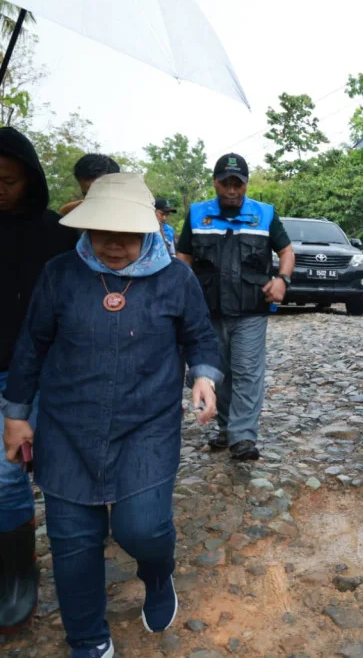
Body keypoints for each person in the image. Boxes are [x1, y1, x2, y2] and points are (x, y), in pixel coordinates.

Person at [2, 173, 222, 658]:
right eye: (104, 232)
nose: (115, 245)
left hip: (146, 424)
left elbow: (200, 337)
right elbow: (32, 345)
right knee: (73, 540)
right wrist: (16, 414)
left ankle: (157, 574)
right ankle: (87, 639)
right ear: (87, 227)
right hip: (67, 424)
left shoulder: (176, 278)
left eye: (127, 234)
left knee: (142, 528)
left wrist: (204, 377)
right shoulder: (60, 273)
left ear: (148, 230)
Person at [0, 127, 80, 633]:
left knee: (37, 468)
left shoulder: (57, 234)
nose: (0, 190)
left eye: (8, 180)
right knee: (5, 474)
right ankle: (14, 568)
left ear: (30, 179)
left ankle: (31, 568)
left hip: (43, 373)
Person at [176, 153, 295, 462]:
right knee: (218, 372)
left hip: (250, 310)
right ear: (214, 182)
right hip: (207, 311)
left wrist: (282, 279)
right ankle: (227, 428)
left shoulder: (264, 214)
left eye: (237, 184)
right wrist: (181, 294)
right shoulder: (197, 214)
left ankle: (243, 436)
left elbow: (286, 251)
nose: (231, 190)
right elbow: (183, 257)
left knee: (246, 372)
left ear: (246, 184)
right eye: (225, 183)